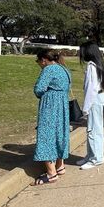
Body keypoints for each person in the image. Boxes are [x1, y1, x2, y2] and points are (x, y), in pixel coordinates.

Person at [33, 49, 71, 185]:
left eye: (38, 61)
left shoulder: (49, 69)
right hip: (62, 105)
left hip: (50, 105)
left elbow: (39, 88)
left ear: (44, 60)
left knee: (47, 134)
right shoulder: (64, 69)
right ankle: (60, 165)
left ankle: (51, 173)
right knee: (60, 133)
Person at [78, 41, 104, 169]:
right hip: (98, 97)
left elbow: (91, 88)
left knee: (93, 130)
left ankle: (96, 158)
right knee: (95, 129)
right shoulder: (98, 64)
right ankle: (91, 155)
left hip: (94, 99)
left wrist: (85, 108)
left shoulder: (92, 66)